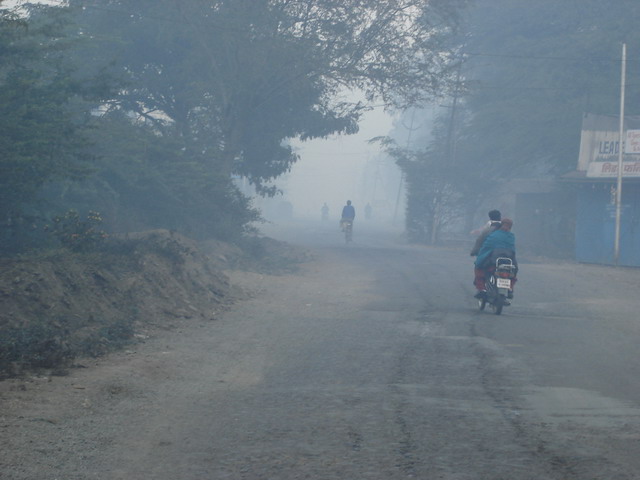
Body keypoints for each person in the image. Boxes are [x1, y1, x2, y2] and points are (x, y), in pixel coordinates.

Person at [474, 218, 517, 298]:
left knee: (479, 267)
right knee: (513, 272)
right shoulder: (511, 237)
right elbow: (512, 250)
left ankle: (481, 288)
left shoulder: (494, 235)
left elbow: (486, 248)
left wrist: (479, 255)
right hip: (509, 261)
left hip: (493, 261)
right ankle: (510, 288)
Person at [470, 210, 502, 294]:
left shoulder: (489, 227)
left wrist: (474, 251)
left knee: (479, 266)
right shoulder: (506, 227)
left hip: (489, 254)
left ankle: (481, 287)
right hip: (505, 254)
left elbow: (480, 239)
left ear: (490, 217)